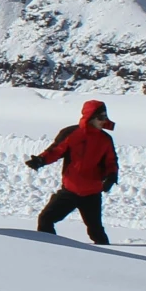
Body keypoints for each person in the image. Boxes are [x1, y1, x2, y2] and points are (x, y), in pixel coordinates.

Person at [26, 99, 118, 244]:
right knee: (45, 219)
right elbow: (55, 151)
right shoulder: (71, 133)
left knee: (96, 231)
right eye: (101, 117)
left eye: (105, 117)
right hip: (70, 191)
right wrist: (41, 160)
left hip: (92, 193)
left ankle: (111, 258)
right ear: (90, 117)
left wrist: (111, 176)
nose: (104, 121)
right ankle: (51, 249)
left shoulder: (105, 139)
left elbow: (111, 162)